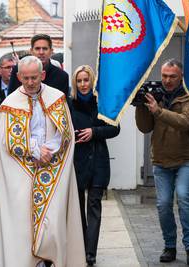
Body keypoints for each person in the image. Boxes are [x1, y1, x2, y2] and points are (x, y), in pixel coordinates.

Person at [0, 56, 85, 267]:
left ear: (42, 75)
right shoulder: (9, 104)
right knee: (22, 226)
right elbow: (6, 142)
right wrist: (34, 150)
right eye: (25, 78)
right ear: (18, 77)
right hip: (22, 172)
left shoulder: (57, 97)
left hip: (53, 170)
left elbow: (65, 132)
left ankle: (53, 261)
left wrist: (48, 151)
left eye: (34, 77)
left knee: (53, 225)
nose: (30, 82)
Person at [135, 59, 189, 264]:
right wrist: (141, 105)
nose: (167, 80)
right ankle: (169, 246)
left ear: (181, 76)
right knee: (163, 204)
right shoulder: (155, 95)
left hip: (186, 158)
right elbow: (145, 128)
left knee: (185, 199)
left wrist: (158, 111)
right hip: (160, 159)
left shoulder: (188, 96)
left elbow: (186, 123)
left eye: (172, 76)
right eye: (164, 76)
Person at [69, 65, 120, 266]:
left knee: (94, 207)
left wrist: (94, 131)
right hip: (77, 162)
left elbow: (115, 128)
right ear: (75, 83)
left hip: (98, 162)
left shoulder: (103, 102)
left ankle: (91, 253)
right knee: (78, 209)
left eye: (86, 80)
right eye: (79, 80)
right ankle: (81, 247)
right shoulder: (69, 104)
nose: (83, 84)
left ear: (92, 81)